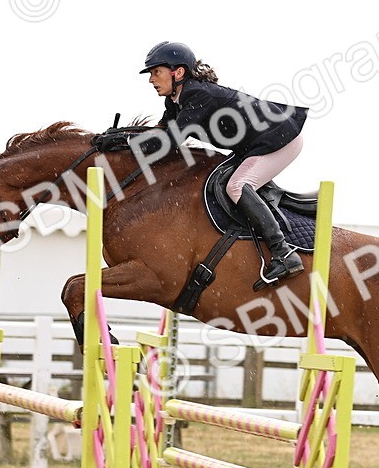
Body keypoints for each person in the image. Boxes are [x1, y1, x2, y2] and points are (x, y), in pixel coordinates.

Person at [129, 41, 307, 285]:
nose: (151, 79)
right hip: (257, 143)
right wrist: (118, 137)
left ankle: (283, 252)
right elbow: (159, 131)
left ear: (178, 72)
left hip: (280, 139)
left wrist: (130, 143)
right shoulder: (175, 100)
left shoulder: (196, 94)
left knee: (236, 186)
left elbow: (170, 142)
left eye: (156, 72)